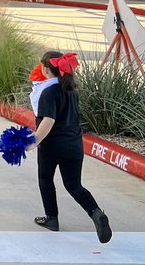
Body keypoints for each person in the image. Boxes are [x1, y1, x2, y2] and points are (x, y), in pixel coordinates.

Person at [27, 51, 111, 243]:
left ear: (45, 69)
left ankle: (52, 218)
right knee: (74, 185)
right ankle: (96, 212)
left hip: (52, 146)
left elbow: (48, 121)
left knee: (45, 178)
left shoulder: (48, 92)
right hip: (74, 145)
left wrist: (33, 141)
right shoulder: (71, 90)